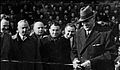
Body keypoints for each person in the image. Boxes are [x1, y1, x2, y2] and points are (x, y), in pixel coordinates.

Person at [72, 5, 117, 70]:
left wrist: (92, 63)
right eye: (82, 22)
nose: (84, 24)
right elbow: (74, 51)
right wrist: (75, 60)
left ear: (93, 18)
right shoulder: (78, 33)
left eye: (87, 21)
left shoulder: (105, 32)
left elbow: (111, 53)